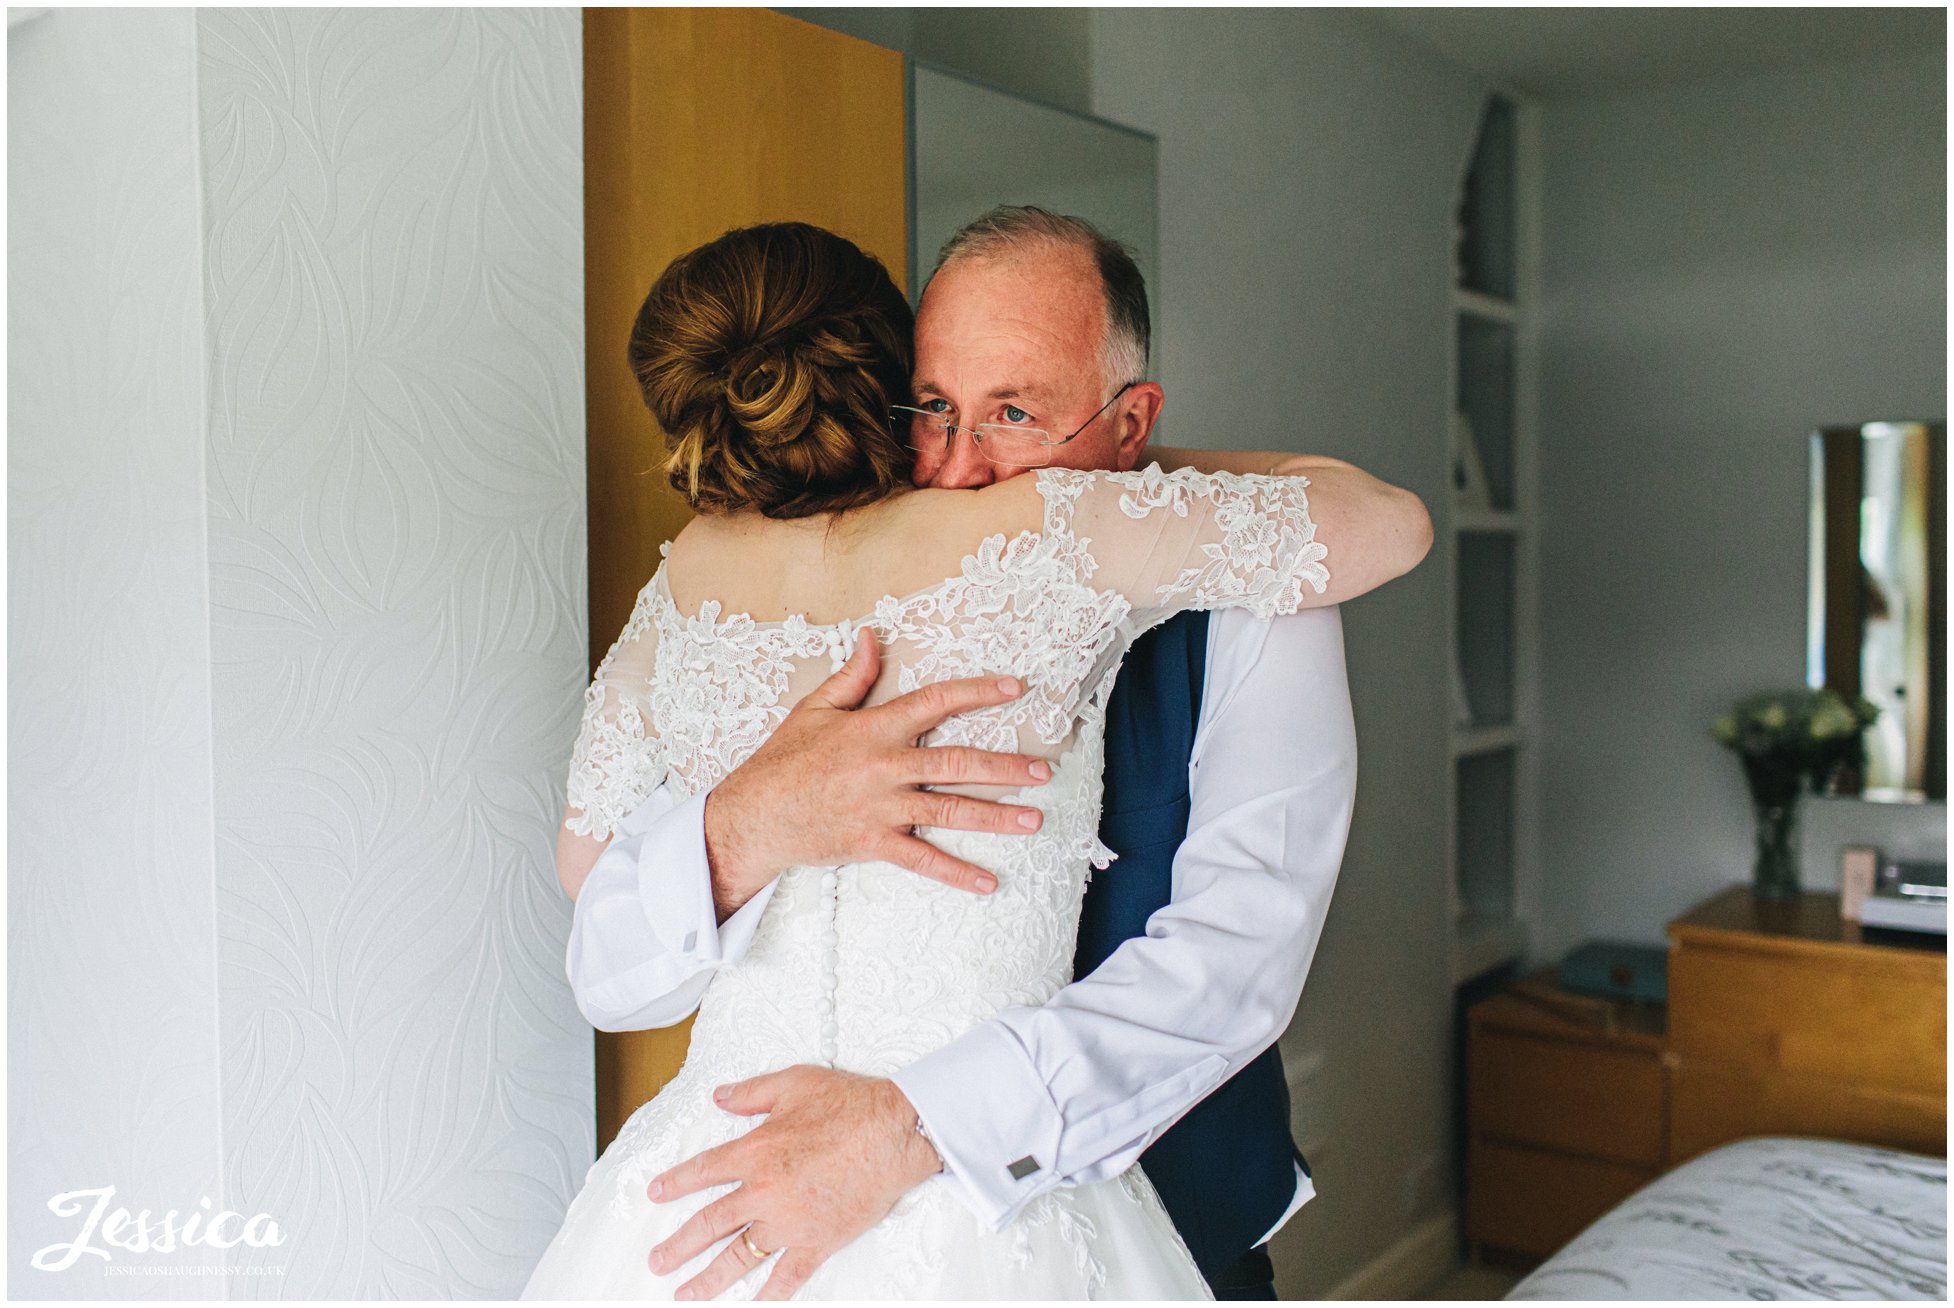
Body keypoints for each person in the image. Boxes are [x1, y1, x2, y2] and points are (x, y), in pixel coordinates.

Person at [522, 219, 1431, 1300]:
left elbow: (1231, 968)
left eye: (1012, 415)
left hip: (1144, 1220)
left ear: (1131, 424)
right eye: (931, 410)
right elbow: (612, 958)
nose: (957, 471)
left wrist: (910, 1133)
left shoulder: (1260, 598)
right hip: (748, 1202)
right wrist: (748, 823)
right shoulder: (785, 621)